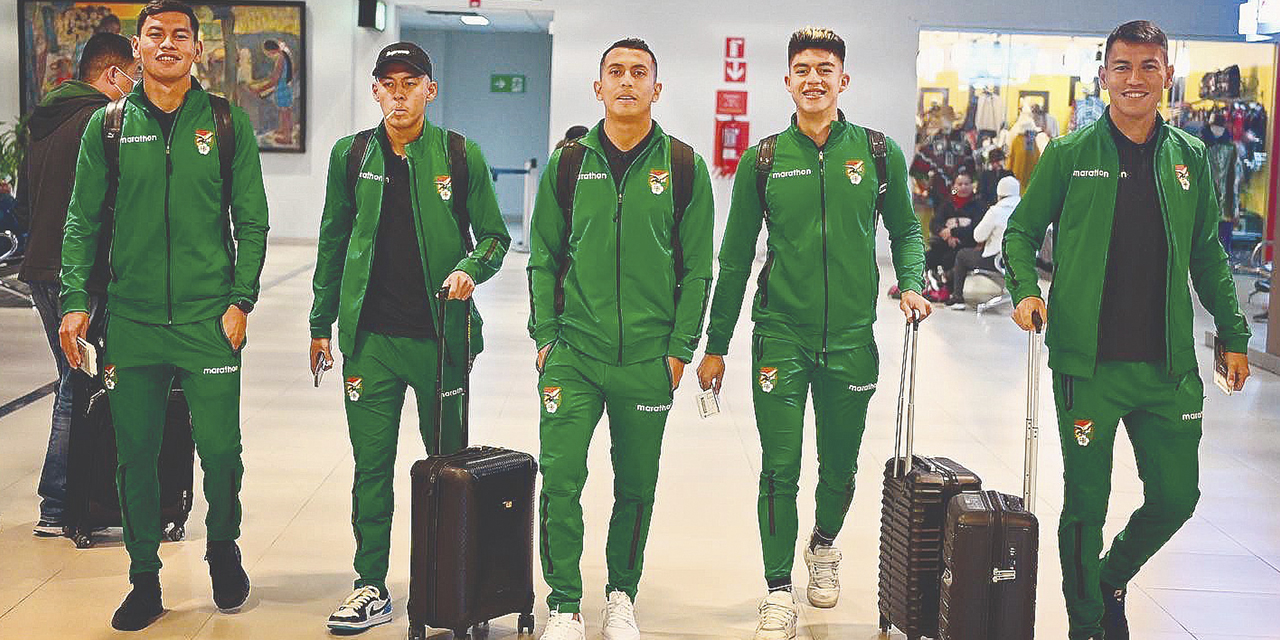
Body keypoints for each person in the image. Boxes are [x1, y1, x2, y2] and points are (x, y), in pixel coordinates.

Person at [1004, 20, 1251, 640]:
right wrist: (1028, 291)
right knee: (1085, 506)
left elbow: (1209, 256)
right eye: (1122, 67)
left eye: (1148, 66)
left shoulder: (1189, 158)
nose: (1134, 79)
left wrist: (1234, 332)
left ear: (1167, 75)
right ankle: (1087, 623)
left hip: (1166, 367)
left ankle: (1111, 575)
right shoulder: (1068, 155)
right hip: (1087, 365)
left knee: (1176, 498)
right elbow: (1020, 232)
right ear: (1103, 76)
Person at [696, 27, 931, 640]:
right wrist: (716, 345)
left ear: (843, 80)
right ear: (787, 81)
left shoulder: (877, 153)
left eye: (825, 69)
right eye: (802, 69)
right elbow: (736, 252)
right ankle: (777, 588)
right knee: (779, 467)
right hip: (781, 333)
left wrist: (911, 281)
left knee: (841, 470)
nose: (813, 79)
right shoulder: (766, 157)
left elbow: (906, 232)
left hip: (853, 337)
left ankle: (822, 545)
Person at [58, 0, 270, 630]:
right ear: (139, 48)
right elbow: (82, 220)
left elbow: (252, 220)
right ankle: (144, 578)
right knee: (136, 456)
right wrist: (75, 301)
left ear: (197, 50)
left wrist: (241, 299)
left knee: (222, 452)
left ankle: (223, 548)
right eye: (157, 35)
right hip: (134, 321)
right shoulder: (110, 128)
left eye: (182, 35)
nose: (169, 44)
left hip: (210, 321)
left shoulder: (227, 125)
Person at [309, 41, 510, 633]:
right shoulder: (351, 155)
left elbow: (495, 239)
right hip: (370, 341)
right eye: (388, 83)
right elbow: (331, 244)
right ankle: (370, 584)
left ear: (430, 88)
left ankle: (453, 585)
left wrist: (470, 270)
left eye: (410, 82)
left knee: (449, 468)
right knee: (370, 467)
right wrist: (321, 324)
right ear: (375, 91)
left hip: (441, 342)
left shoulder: (459, 154)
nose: (399, 93)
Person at [527, 37, 714, 640]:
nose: (627, 81)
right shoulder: (566, 164)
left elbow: (697, 269)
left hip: (646, 361)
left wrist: (680, 349)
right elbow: (544, 257)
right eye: (615, 72)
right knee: (560, 480)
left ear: (656, 89)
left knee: (635, 486)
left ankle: (621, 595)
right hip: (573, 356)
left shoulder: (683, 166)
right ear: (598, 87)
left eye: (639, 73)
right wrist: (545, 335)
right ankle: (562, 603)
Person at [13, 31, 135, 538]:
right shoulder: (99, 123)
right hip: (78, 277)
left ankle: (72, 498)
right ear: (112, 74)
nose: (136, 87)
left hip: (40, 270)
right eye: (134, 76)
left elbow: (22, 205)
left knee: (74, 377)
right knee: (76, 382)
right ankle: (60, 502)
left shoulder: (42, 123)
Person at [948, 174, 1019, 308]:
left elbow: (978, 236)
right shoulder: (1025, 209)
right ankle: (945, 278)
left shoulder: (996, 211)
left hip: (997, 261)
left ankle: (957, 298)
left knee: (962, 255)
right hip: (1022, 262)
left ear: (999, 193)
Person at [925, 171, 984, 299]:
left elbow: (975, 228)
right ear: (954, 186)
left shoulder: (979, 205)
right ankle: (928, 287)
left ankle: (949, 290)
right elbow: (935, 223)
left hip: (967, 245)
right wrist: (945, 234)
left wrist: (953, 232)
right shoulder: (947, 203)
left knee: (949, 258)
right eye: (960, 184)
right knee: (927, 257)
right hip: (946, 243)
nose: (963, 187)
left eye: (966, 184)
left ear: (972, 186)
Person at [252, 39, 294, 145]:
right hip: (287, 87)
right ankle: (284, 129)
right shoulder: (285, 54)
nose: (268, 56)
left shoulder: (280, 59)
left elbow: (274, 79)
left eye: (267, 53)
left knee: (284, 113)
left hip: (282, 88)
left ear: (271, 51)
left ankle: (287, 137)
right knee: (286, 111)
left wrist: (259, 89)